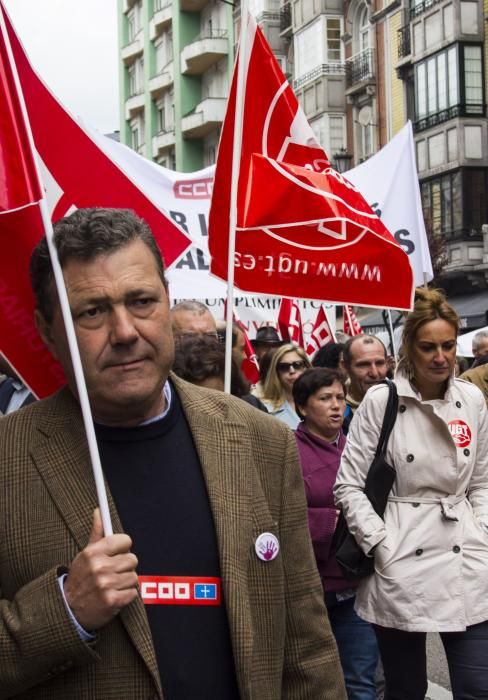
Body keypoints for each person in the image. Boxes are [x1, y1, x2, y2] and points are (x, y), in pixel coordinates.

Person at [0, 208, 345, 700]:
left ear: (167, 301)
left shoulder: (258, 440)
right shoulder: (6, 460)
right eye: (91, 312)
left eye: (141, 301)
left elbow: (306, 649)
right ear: (47, 330)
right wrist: (65, 609)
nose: (124, 331)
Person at [334, 287, 488, 700]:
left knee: (478, 687)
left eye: (448, 345)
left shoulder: (472, 399)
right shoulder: (381, 401)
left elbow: (482, 481)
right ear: (409, 349)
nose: (441, 357)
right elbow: (348, 485)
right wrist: (382, 544)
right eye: (428, 347)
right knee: (406, 690)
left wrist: (483, 531)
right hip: (401, 558)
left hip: (466, 555)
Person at [293, 368, 378, 700]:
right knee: (314, 684)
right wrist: (331, 520)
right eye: (324, 399)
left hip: (355, 586)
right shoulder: (286, 449)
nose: (335, 406)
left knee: (360, 681)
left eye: (340, 398)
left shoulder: (359, 448)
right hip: (310, 590)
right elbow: (278, 516)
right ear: (302, 407)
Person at [261, 343, 311, 429]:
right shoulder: (264, 409)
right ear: (276, 372)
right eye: (284, 367)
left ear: (306, 367)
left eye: (297, 365)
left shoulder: (324, 403)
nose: (292, 371)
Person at [341, 335, 388, 415]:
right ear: (345, 367)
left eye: (379, 363)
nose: (374, 373)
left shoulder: (404, 401)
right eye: (364, 365)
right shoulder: (337, 411)